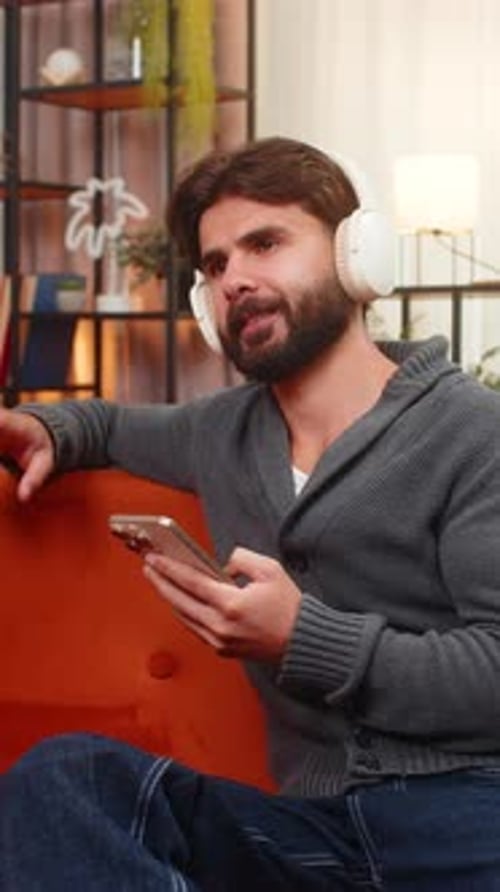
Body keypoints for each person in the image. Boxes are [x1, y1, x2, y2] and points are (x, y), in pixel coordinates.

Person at [1, 136, 500, 892]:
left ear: (355, 252)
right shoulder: (220, 430)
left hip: (467, 821)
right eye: (215, 265)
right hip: (307, 836)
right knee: (65, 780)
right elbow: (106, 425)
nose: (235, 279)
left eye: (265, 243)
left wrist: (304, 638)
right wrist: (50, 430)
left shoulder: (472, 431)